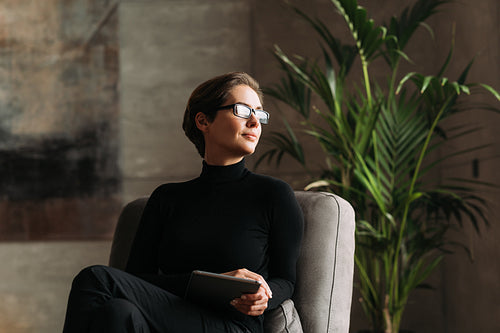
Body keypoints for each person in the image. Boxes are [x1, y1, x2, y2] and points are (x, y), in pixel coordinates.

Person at [62, 72, 304, 333]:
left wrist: (263, 297)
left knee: (94, 278)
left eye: (260, 113)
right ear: (203, 120)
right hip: (170, 317)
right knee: (117, 312)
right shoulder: (167, 198)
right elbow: (135, 280)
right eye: (243, 110)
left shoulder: (273, 194)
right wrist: (203, 283)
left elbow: (286, 280)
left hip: (232, 326)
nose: (255, 121)